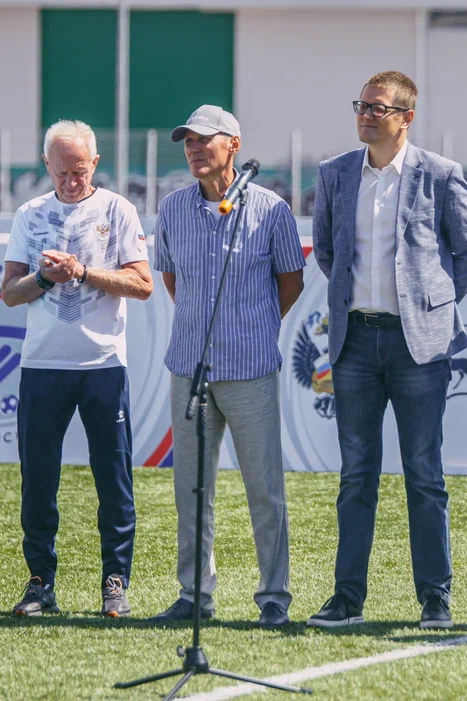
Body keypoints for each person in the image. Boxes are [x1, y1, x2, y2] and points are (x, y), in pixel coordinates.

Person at [309, 71, 467, 630]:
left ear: (406, 117)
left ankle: (435, 597)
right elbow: (328, 251)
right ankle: (347, 597)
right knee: (356, 474)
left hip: (419, 347)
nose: (366, 114)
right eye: (361, 105)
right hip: (355, 341)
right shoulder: (335, 174)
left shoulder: (440, 174)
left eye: (378, 108)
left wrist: (431, 306)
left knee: (423, 473)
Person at [149, 105, 305, 629]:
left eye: (203, 140)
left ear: (233, 146)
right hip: (188, 367)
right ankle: (195, 595)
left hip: (251, 370)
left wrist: (252, 328)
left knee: (264, 488)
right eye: (187, 141)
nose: (193, 148)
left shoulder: (270, 209)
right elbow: (173, 281)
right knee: (192, 489)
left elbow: (291, 282)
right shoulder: (171, 209)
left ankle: (274, 597)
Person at [0, 120, 153, 619]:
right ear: (47, 165)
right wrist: (45, 276)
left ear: (95, 164)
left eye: (81, 171)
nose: (71, 181)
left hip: (103, 364)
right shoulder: (30, 214)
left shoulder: (118, 209)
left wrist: (84, 271)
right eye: (62, 172)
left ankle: (115, 582)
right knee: (38, 480)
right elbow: (9, 292)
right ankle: (40, 582)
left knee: (113, 479)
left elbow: (143, 284)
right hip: (42, 366)